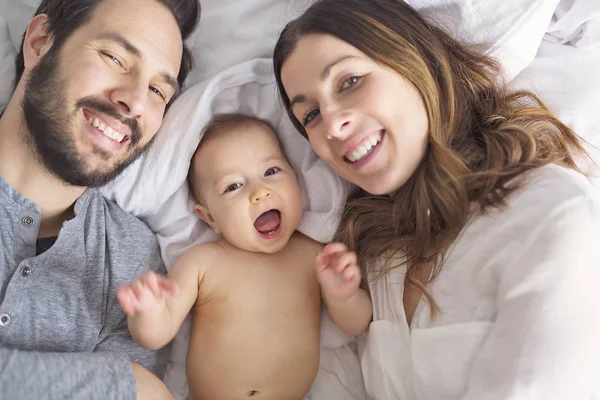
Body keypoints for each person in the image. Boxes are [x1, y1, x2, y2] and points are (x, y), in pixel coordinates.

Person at [273, 0, 600, 399]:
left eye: (350, 82)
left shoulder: (551, 214)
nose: (333, 124)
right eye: (310, 116)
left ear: (415, 63)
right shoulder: (379, 261)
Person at [0, 0, 199, 399]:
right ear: (39, 43)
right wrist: (128, 386)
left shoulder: (133, 265)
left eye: (158, 90)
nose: (137, 102)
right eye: (115, 57)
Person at [116, 113, 373, 400]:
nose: (260, 192)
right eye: (233, 186)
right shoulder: (202, 262)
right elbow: (155, 336)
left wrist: (344, 295)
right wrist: (147, 311)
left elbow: (357, 324)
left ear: (297, 181)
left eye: (271, 171)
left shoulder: (315, 257)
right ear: (209, 217)